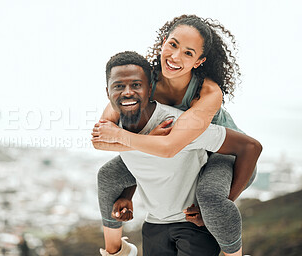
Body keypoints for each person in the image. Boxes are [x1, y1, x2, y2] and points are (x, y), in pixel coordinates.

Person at [93, 15, 258, 256]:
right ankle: (116, 250)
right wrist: (129, 189)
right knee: (109, 175)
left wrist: (222, 205)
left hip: (225, 156)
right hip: (183, 154)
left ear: (199, 61)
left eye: (188, 53)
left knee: (210, 197)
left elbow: (168, 147)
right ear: (163, 42)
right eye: (173, 44)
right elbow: (101, 139)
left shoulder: (208, 91)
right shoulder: (144, 80)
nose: (175, 57)